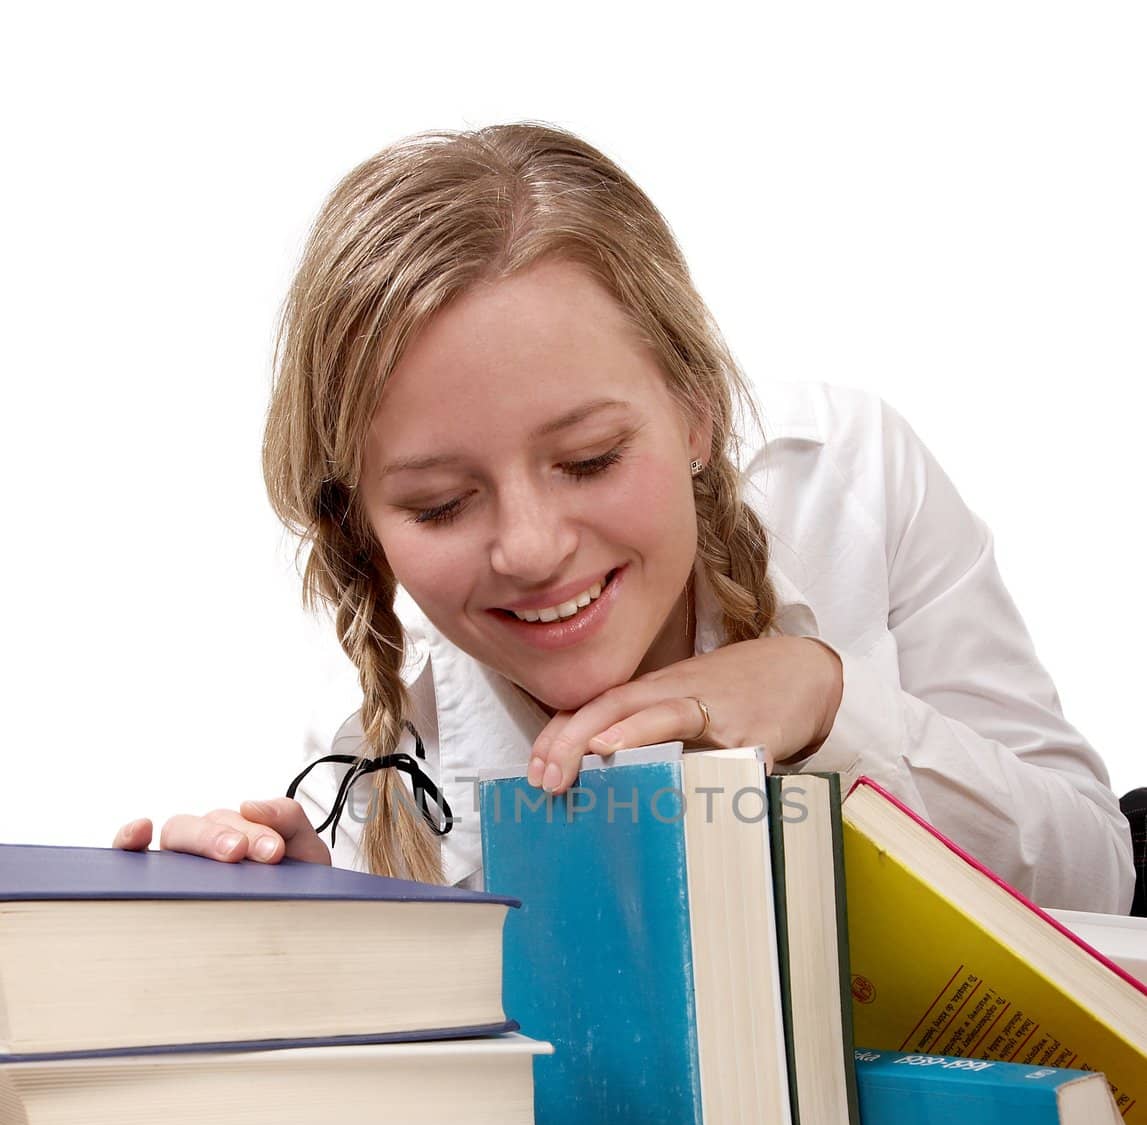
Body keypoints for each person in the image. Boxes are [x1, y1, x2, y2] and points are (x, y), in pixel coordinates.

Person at [115, 122, 1134, 914]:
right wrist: (323, 946)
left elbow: (1100, 879)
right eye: (438, 503)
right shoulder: (370, 755)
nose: (532, 547)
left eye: (590, 459)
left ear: (697, 411)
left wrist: (830, 703)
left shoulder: (847, 480)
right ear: (360, 524)